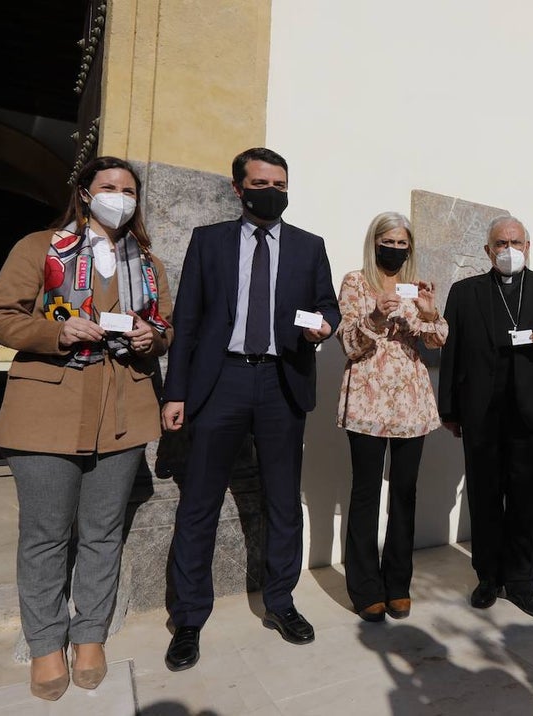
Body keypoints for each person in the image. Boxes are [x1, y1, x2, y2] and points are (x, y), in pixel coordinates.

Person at [0, 156, 173, 700]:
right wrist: (57, 334)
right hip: (47, 410)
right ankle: (45, 642)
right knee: (44, 536)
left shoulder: (149, 263)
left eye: (129, 189)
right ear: (85, 194)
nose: (120, 196)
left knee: (104, 532)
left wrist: (151, 339)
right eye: (109, 187)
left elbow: (164, 327)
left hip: (122, 412)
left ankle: (89, 634)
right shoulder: (39, 247)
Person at [161, 147, 339, 671]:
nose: (273, 191)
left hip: (283, 381)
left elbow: (328, 305)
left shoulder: (310, 246)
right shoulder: (209, 240)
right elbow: (188, 320)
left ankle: (280, 601)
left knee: (283, 500)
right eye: (261, 183)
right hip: (222, 381)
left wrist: (325, 326)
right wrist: (176, 392)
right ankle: (189, 617)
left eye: (280, 183)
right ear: (239, 188)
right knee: (199, 502)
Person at [438, 215, 533, 619]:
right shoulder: (464, 293)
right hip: (480, 412)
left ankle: (524, 583)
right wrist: (449, 409)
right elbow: (453, 353)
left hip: (529, 410)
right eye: (500, 243)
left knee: (527, 500)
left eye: (516, 242)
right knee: (483, 498)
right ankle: (488, 577)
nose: (509, 249)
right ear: (488, 250)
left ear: (529, 247)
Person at [336, 211, 447, 622]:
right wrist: (378, 314)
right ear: (375, 241)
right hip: (366, 401)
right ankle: (365, 588)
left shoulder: (414, 285)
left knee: (405, 493)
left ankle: (398, 584)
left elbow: (436, 341)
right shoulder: (354, 281)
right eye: (389, 241)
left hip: (411, 403)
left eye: (403, 243)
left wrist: (430, 311)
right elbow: (348, 342)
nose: (396, 249)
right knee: (365, 493)